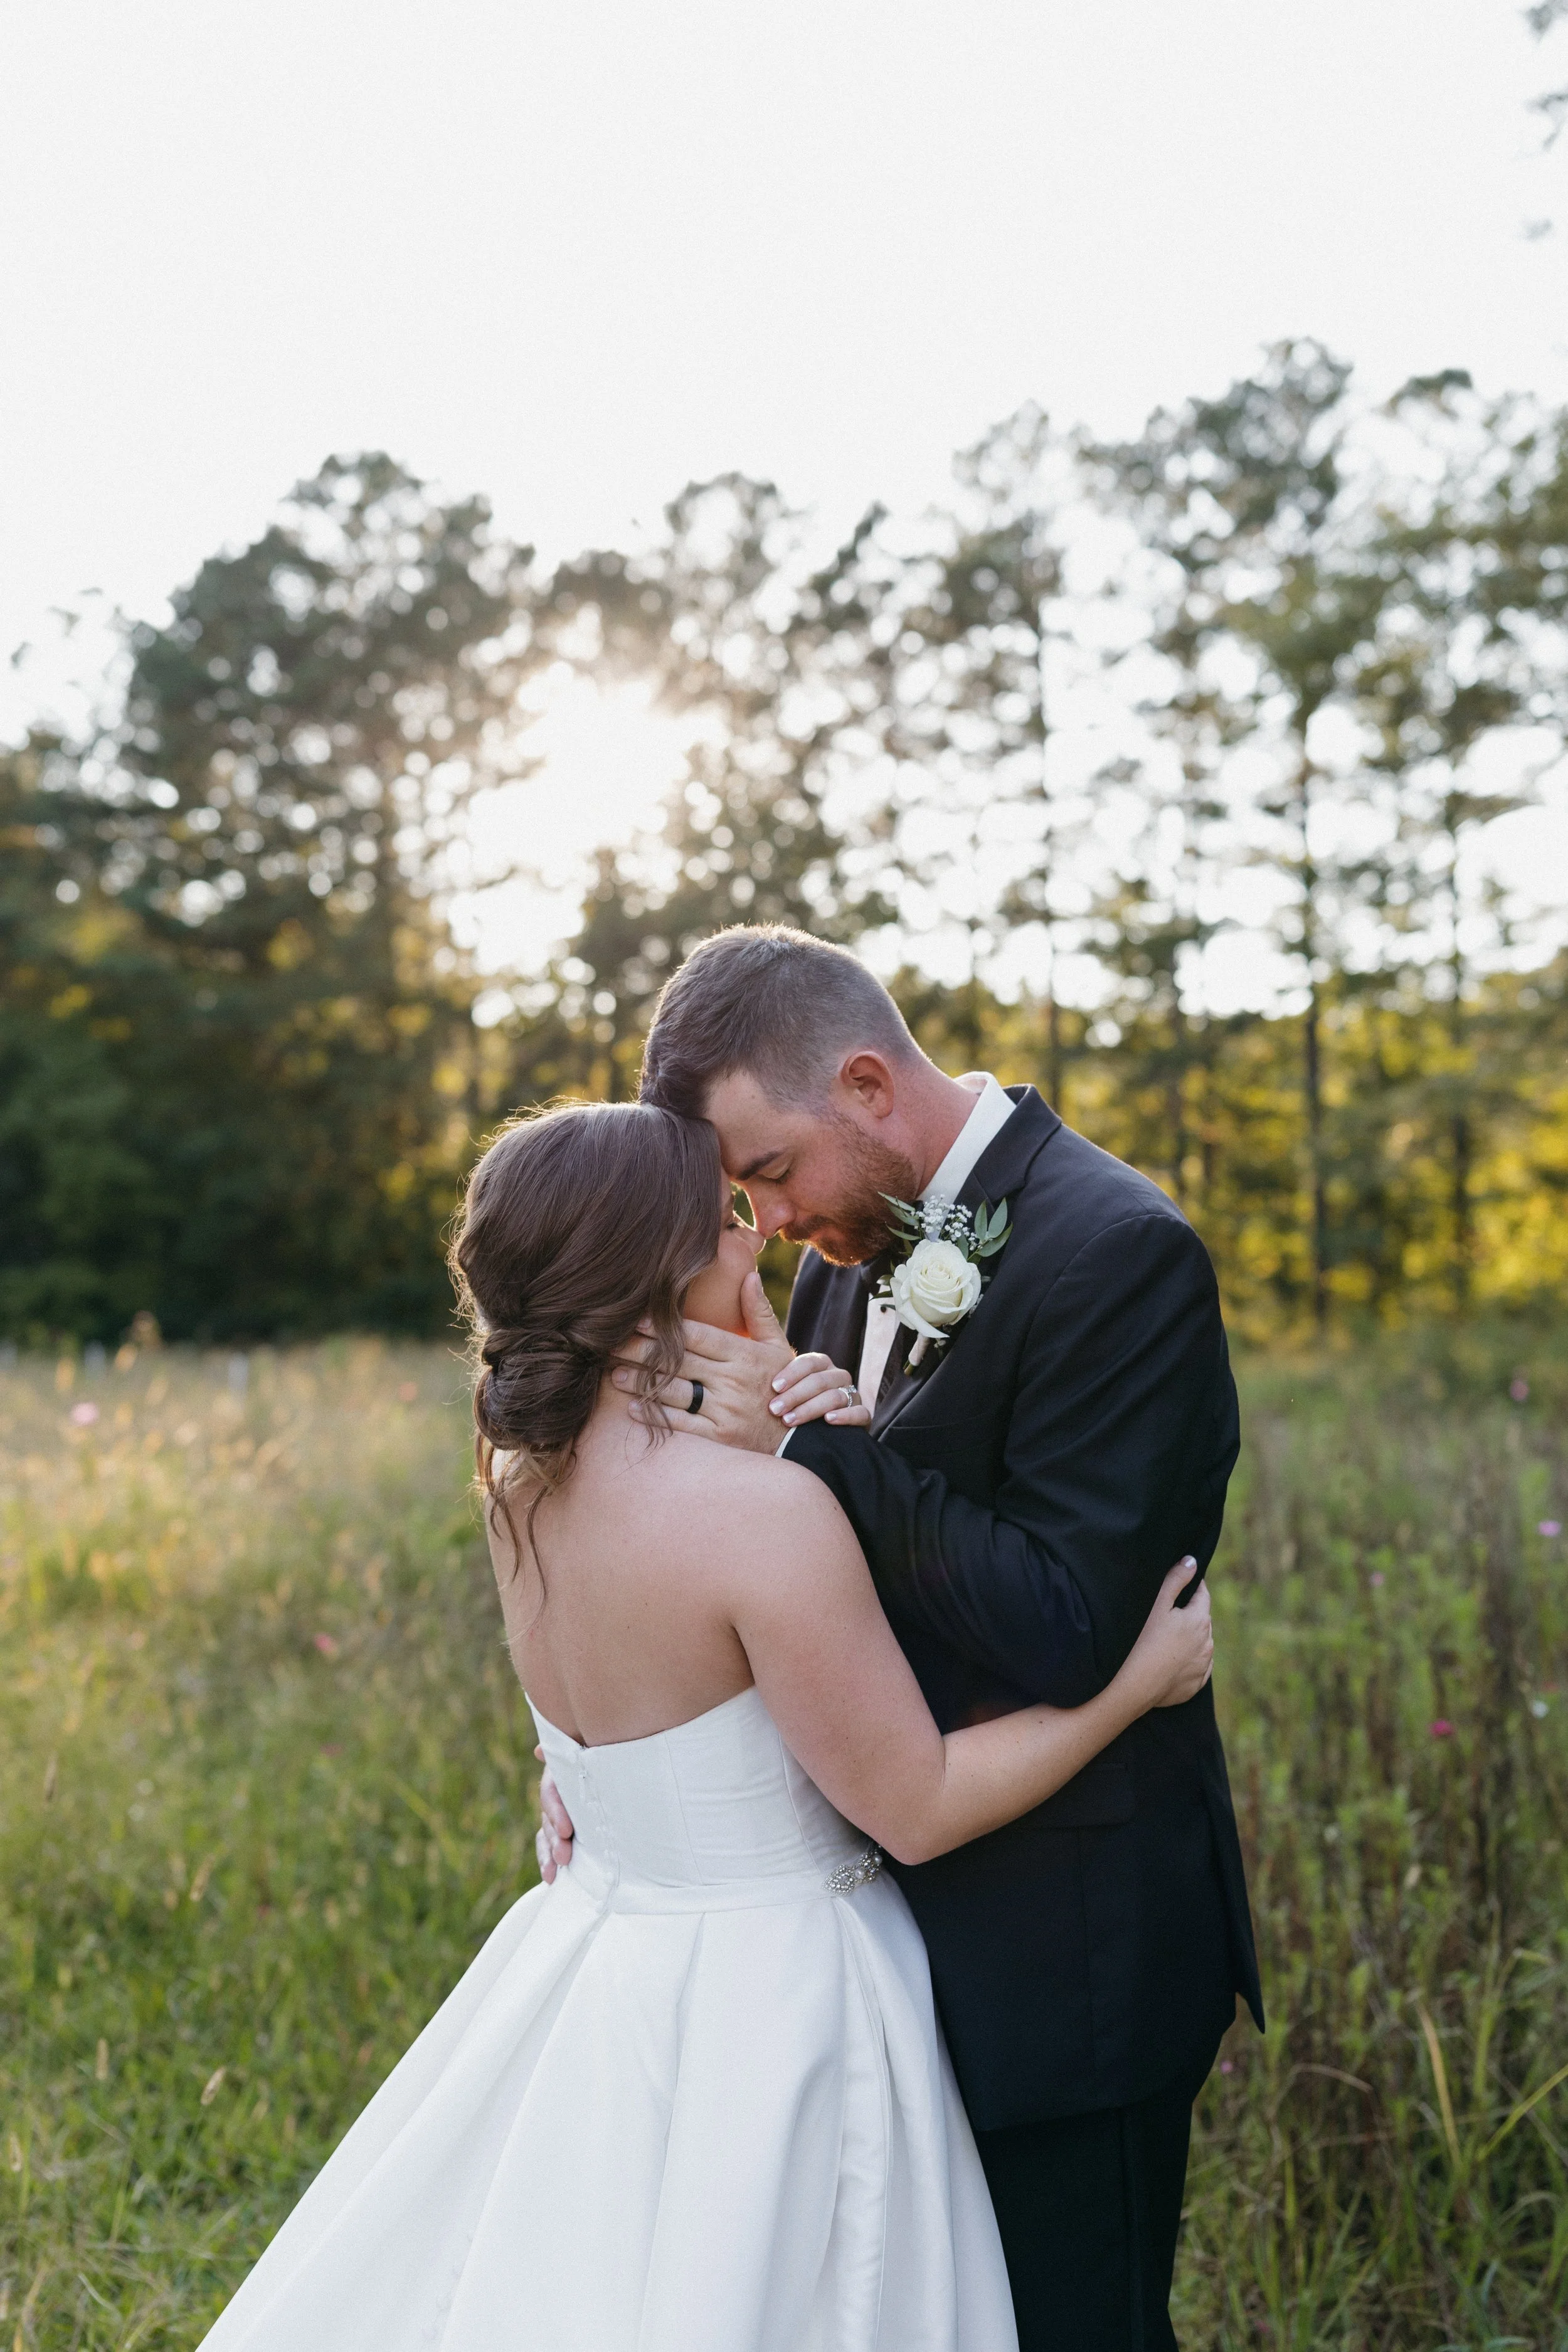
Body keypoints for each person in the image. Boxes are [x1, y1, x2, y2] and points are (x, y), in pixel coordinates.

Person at [197, 1097, 1215, 2352]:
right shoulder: (758, 1515)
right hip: (783, 2001)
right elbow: (915, 1803)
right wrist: (1134, 1682)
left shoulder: (520, 1479)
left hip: (606, 1962)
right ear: (665, 1265)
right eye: (730, 1221)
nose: (760, 1241)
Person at [543, 924, 1264, 2351]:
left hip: (1067, 1951)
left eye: (764, 1174)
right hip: (865, 1944)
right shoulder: (840, 1251)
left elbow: (1069, 1624)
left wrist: (821, 1462)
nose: (763, 1220)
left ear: (866, 1086)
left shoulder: (1118, 1254)